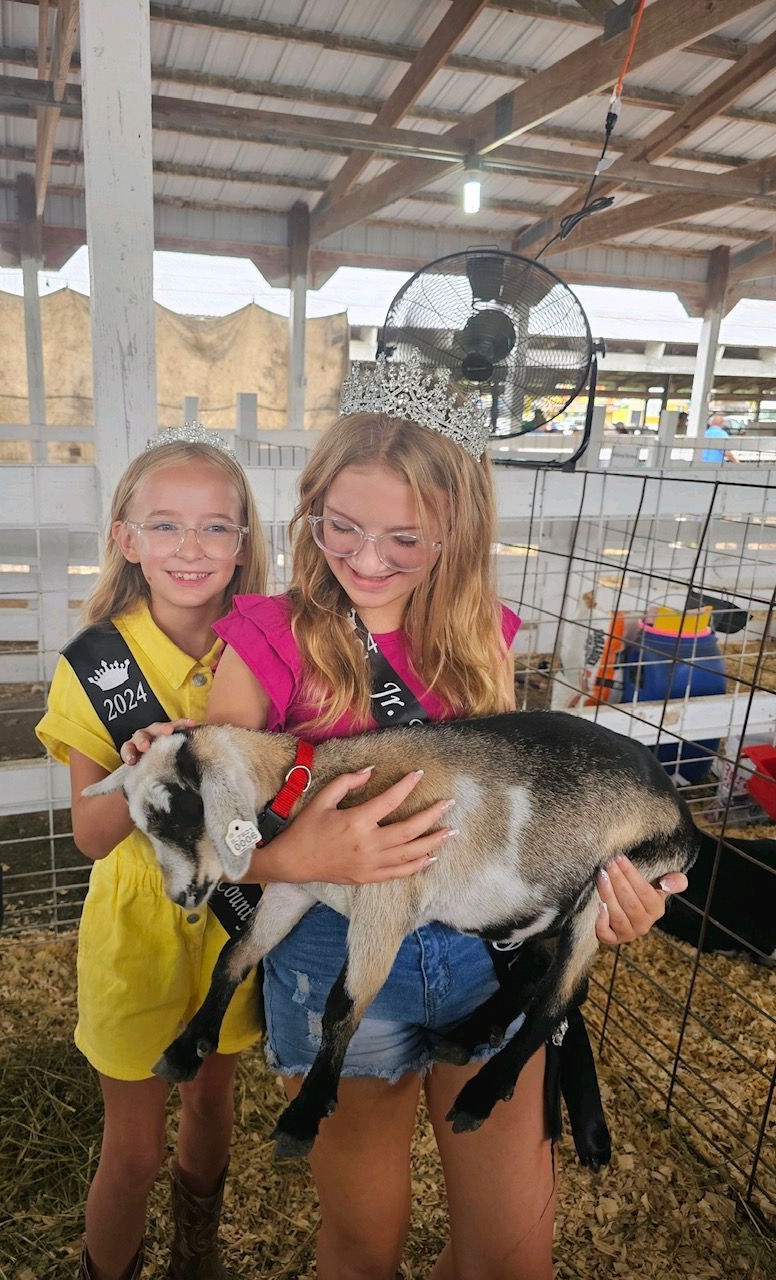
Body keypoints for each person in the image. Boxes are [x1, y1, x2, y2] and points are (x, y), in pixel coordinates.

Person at [193, 367, 686, 1280]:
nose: (367, 557)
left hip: (482, 961)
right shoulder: (261, 641)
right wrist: (288, 853)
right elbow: (208, 836)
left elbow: (525, 824)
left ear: (454, 530)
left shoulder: (479, 641)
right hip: (333, 959)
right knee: (360, 1242)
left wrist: (604, 900)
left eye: (403, 538)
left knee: (511, 1254)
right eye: (341, 526)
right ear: (310, 509)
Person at [37, 426, 445, 1280]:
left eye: (216, 527)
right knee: (134, 1148)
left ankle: (197, 1254)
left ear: (245, 542)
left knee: (213, 1101)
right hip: (141, 930)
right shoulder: (95, 666)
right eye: (165, 526)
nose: (192, 548)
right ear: (126, 539)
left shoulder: (270, 640)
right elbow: (89, 833)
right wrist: (138, 769)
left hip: (244, 918)